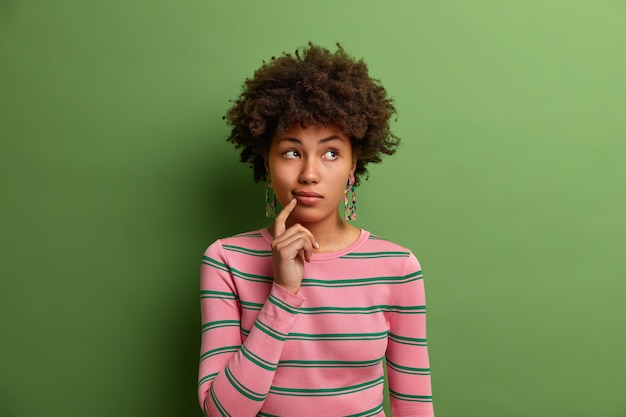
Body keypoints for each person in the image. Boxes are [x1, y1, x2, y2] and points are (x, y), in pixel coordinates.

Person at [198, 42, 434, 417]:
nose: (309, 173)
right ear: (266, 161)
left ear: (353, 164)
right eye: (292, 151)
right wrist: (282, 293)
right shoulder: (227, 260)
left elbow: (414, 406)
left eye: (330, 153)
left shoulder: (397, 267)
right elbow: (222, 412)